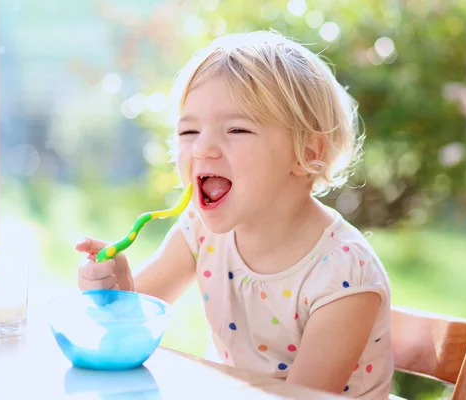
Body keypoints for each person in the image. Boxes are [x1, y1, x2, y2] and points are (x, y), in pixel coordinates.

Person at [76, 30, 393, 398]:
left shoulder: (343, 275)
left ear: (307, 152)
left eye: (237, 129)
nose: (202, 149)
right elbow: (126, 327)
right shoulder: (200, 231)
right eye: (189, 130)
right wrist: (116, 290)